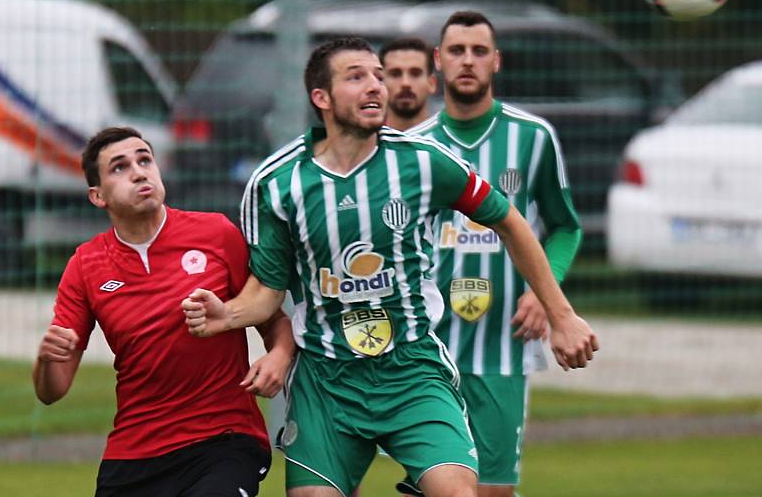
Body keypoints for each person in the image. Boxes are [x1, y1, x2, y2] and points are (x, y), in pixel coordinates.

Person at [181, 37, 599, 497]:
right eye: (356, 77)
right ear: (321, 98)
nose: (375, 87)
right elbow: (267, 290)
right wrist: (229, 315)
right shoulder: (278, 183)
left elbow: (510, 221)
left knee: (459, 493)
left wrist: (560, 315)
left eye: (378, 75)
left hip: (412, 368)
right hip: (327, 379)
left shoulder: (422, 161)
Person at [33, 126, 295, 497]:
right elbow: (52, 390)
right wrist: (46, 360)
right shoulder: (85, 265)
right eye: (120, 168)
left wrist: (279, 357)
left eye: (145, 160)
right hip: (134, 452)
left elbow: (274, 319)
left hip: (223, 439)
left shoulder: (216, 234)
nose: (139, 172)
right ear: (98, 195)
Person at [401, 11, 584, 497]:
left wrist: (545, 294)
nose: (468, 61)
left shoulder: (532, 137)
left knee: (493, 491)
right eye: (457, 51)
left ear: (496, 62)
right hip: (426, 353)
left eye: (479, 51)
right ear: (438, 61)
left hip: (501, 347)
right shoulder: (411, 148)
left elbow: (565, 228)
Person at [380, 37, 437, 131]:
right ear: (381, 83)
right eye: (395, 74)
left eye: (415, 74)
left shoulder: (450, 143)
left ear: (432, 83)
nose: (405, 83)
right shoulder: (364, 143)